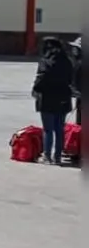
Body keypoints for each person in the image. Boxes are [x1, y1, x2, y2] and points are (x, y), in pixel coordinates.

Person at [32, 37, 75, 165]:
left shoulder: (45, 61)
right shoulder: (67, 61)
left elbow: (41, 78)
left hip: (47, 98)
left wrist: (35, 89)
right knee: (59, 128)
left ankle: (47, 156)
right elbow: (70, 79)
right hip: (63, 98)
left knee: (48, 129)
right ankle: (57, 157)